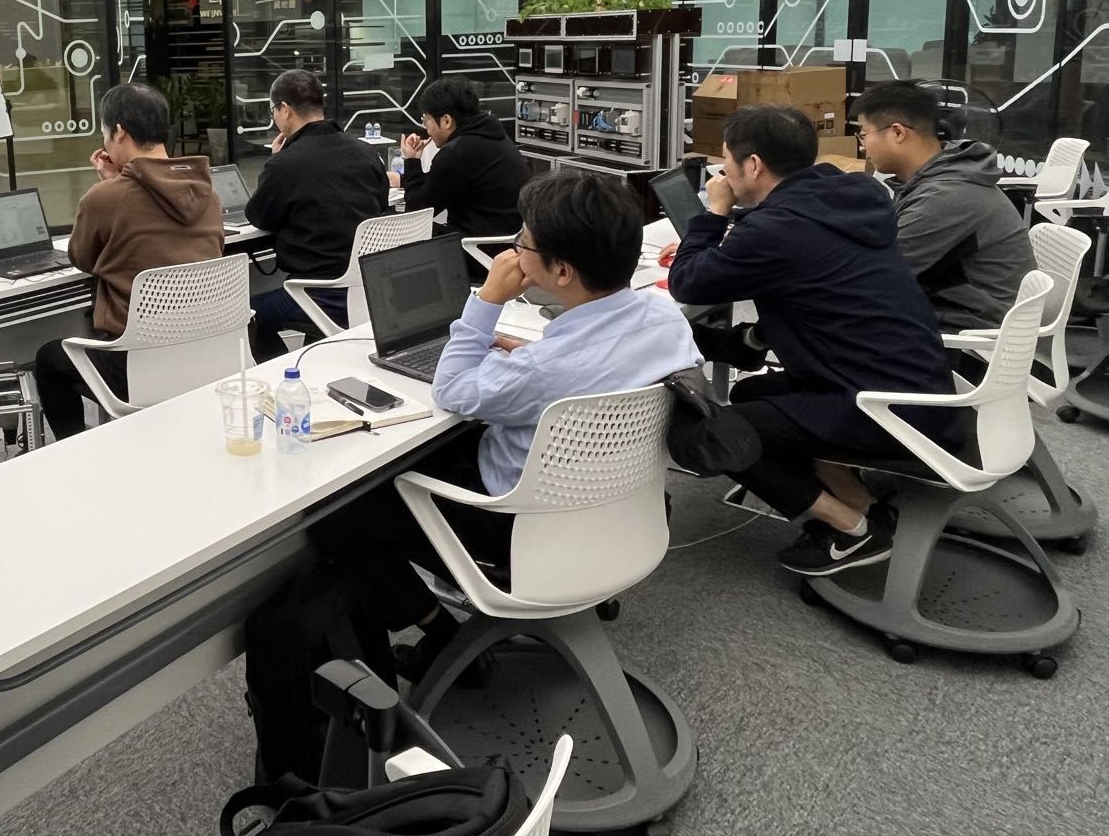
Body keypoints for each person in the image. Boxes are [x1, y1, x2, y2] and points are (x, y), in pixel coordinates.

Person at [314, 169, 700, 680]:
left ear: (562, 270)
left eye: (524, 241)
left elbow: (451, 389)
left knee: (343, 512)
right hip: (621, 507)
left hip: (521, 525)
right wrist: (535, 356)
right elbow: (592, 363)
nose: (516, 248)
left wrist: (487, 302)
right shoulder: (666, 320)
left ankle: (443, 638)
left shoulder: (542, 370)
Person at [667, 105, 958, 576]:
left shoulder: (775, 229)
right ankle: (862, 502)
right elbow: (817, 289)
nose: (723, 173)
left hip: (884, 408)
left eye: (726, 160)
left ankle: (852, 530)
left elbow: (688, 282)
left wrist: (716, 211)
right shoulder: (849, 197)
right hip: (918, 387)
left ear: (753, 165)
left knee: (712, 430)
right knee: (750, 393)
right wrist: (754, 335)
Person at [33, 83, 223, 439]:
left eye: (105, 133)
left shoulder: (104, 198)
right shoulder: (206, 193)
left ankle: (73, 455)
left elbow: (82, 257)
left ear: (120, 132)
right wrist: (118, 182)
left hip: (139, 365)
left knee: (49, 359)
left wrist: (109, 187)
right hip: (207, 355)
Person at [855, 79, 1034, 331]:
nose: (861, 145)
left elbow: (877, 274)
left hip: (976, 327)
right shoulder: (937, 176)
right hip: (954, 304)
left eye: (864, 134)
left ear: (897, 133)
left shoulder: (948, 195)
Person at [243, 69, 389, 361]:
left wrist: (275, 163)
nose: (275, 118)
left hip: (317, 293)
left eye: (273, 112)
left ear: (285, 109)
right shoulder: (366, 153)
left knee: (249, 314)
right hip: (371, 288)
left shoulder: (286, 164)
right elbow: (381, 205)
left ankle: (283, 374)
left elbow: (259, 216)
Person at [397, 78, 529, 242]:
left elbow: (416, 212)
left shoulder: (456, 152)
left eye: (426, 120)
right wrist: (404, 178)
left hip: (479, 247)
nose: (426, 129)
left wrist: (411, 160)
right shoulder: (491, 134)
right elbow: (446, 184)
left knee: (402, 236)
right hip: (513, 241)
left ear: (446, 121)